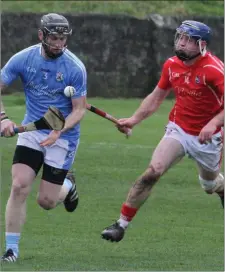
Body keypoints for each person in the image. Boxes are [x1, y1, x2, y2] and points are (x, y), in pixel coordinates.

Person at [101, 20, 224, 243]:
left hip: (207, 138)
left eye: (188, 40)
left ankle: (221, 188)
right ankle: (120, 225)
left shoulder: (213, 70)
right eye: (180, 37)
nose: (182, 43)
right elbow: (157, 96)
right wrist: (134, 120)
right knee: (153, 171)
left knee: (209, 185)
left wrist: (213, 124)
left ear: (202, 45)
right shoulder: (171, 65)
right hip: (178, 129)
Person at [0, 13, 87, 261]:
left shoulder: (74, 67)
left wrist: (60, 130)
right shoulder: (23, 59)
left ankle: (68, 187)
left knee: (47, 201)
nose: (59, 43)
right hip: (32, 130)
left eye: (63, 38)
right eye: (54, 38)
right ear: (41, 35)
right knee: (19, 186)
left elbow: (79, 108)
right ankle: (11, 250)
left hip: (64, 137)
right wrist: (3, 118)